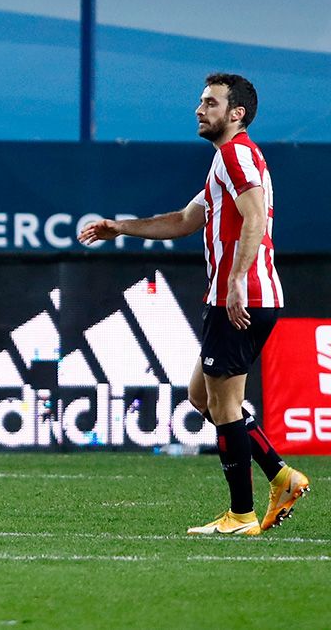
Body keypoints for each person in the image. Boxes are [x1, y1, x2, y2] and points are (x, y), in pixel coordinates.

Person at [79, 72, 309, 536]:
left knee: (226, 405)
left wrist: (238, 282)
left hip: (239, 298)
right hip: (231, 296)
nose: (199, 110)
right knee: (202, 397)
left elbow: (255, 216)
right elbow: (184, 220)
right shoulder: (225, 161)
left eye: (210, 103)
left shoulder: (235, 153)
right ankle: (282, 477)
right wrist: (119, 228)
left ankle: (241, 513)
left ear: (235, 113)